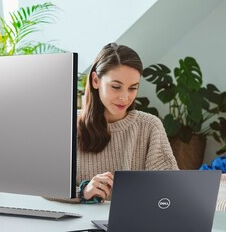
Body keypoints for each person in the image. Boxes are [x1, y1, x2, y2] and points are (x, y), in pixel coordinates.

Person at [73, 43, 179, 204]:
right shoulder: (70, 125)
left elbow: (172, 188)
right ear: (95, 80)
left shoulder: (150, 127)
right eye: (116, 87)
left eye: (133, 88)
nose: (125, 97)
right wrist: (83, 191)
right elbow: (45, 183)